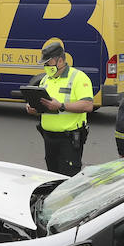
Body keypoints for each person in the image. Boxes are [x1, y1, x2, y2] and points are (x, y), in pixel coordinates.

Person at [28, 39, 94, 175]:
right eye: (45, 64)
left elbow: (88, 105)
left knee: (67, 180)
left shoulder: (78, 77)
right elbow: (45, 107)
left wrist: (61, 106)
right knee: (52, 178)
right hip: (49, 139)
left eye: (48, 63)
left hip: (68, 140)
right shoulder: (46, 79)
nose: (46, 66)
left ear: (60, 61)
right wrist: (35, 109)